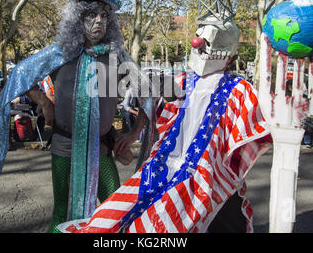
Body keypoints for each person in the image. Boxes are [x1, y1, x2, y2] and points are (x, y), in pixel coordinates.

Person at [0, 0, 156, 232]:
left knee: (114, 209)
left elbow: (149, 95)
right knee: (62, 212)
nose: (98, 21)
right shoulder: (60, 53)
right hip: (65, 146)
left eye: (104, 16)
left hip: (102, 150)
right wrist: (43, 101)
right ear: (78, 17)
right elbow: (19, 76)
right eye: (91, 14)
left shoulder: (116, 57)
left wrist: (133, 134)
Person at [56, 13, 271, 233]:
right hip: (167, 167)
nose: (197, 44)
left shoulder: (239, 89)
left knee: (225, 221)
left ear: (228, 56)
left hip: (212, 174)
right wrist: (134, 133)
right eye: (199, 39)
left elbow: (255, 128)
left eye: (206, 42)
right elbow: (148, 101)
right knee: (146, 216)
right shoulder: (180, 81)